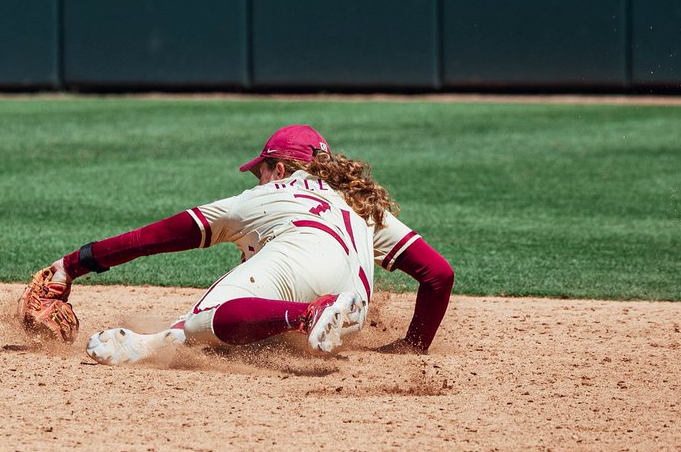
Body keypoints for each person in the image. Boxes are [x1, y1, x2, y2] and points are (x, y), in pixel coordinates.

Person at [43, 125, 454, 365]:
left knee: (206, 319)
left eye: (261, 171)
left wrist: (73, 264)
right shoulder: (363, 206)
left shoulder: (262, 197)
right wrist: (413, 346)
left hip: (300, 269)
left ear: (279, 169)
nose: (258, 179)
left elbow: (154, 238)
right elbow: (439, 275)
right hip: (353, 307)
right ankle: (310, 315)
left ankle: (306, 315)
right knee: (251, 330)